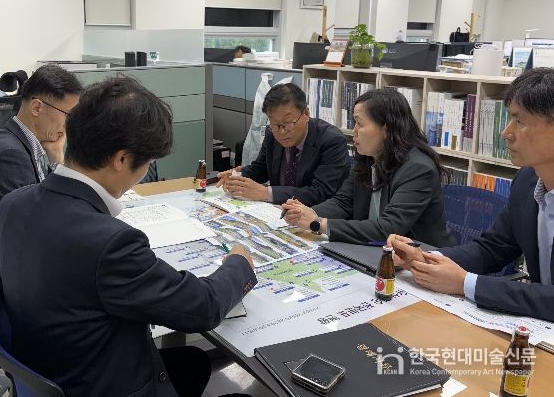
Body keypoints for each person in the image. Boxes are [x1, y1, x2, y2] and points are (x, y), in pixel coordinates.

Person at [0, 76, 257, 397]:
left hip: (47, 369)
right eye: (148, 163)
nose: (144, 172)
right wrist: (239, 264)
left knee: (193, 361)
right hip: (101, 384)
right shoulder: (110, 242)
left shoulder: (13, 203)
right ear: (121, 159)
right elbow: (203, 307)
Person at [389, 68, 554, 322]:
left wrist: (465, 283)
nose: (506, 133)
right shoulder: (526, 181)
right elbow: (493, 248)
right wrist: (426, 259)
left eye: (519, 121)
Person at [282, 88, 456, 247]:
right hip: (376, 252)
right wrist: (305, 213)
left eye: (360, 124)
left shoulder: (418, 169)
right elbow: (343, 202)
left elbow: (387, 229)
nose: (354, 131)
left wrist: (318, 223)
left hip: (422, 260)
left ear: (386, 129)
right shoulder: (369, 157)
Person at [0, 64, 82, 263]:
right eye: (69, 115)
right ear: (37, 107)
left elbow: (44, 207)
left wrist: (56, 158)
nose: (71, 125)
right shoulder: (9, 157)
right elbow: (34, 234)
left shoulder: (21, 141)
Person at [217, 82, 350, 206]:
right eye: (275, 125)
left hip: (313, 214)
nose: (281, 132)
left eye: (287, 123)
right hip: (277, 211)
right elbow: (261, 168)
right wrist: (237, 176)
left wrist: (266, 193)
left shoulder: (332, 141)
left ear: (306, 114)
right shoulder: (271, 133)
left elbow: (320, 193)